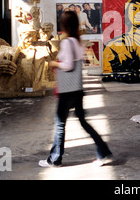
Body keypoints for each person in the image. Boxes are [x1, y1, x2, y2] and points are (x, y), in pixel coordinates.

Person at [39, 11, 113, 167]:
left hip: (67, 91)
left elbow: (68, 66)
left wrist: (54, 64)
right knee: (84, 122)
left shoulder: (66, 43)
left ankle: (55, 159)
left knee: (60, 124)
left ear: (64, 25)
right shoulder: (78, 41)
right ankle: (103, 151)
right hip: (77, 89)